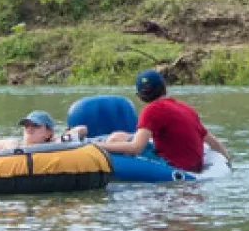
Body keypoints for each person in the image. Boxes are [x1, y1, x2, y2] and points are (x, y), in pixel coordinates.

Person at [96, 69, 231, 173]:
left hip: (173, 166)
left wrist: (97, 146)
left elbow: (135, 148)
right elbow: (213, 142)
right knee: (121, 136)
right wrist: (227, 160)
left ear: (139, 96)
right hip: (194, 166)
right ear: (165, 88)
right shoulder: (186, 108)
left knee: (114, 139)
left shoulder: (151, 110)